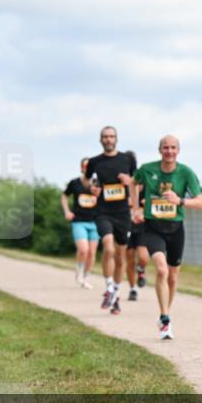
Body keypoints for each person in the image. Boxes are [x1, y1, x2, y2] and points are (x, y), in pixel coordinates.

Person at [131, 134, 202, 340]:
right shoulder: (147, 169)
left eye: (173, 148)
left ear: (178, 151)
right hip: (152, 227)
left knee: (173, 276)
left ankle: (166, 312)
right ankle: (165, 320)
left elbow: (200, 202)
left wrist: (179, 200)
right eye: (165, 148)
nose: (169, 151)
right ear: (159, 150)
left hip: (176, 229)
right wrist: (135, 208)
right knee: (161, 270)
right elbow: (132, 183)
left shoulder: (186, 173)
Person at [84, 126, 137, 315]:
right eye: (105, 136)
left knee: (121, 258)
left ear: (116, 139)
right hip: (103, 211)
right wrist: (92, 188)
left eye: (111, 136)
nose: (108, 139)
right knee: (108, 248)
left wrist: (129, 181)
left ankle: (115, 294)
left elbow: (136, 183)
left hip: (122, 212)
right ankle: (108, 288)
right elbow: (87, 181)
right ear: (100, 140)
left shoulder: (127, 159)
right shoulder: (94, 162)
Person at [63, 158, 100, 289]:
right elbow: (64, 196)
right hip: (79, 221)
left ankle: (86, 277)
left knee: (91, 253)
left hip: (95, 222)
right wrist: (67, 211)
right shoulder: (74, 183)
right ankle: (79, 270)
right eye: (85, 166)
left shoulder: (97, 184)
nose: (87, 169)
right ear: (81, 168)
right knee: (83, 250)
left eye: (89, 167)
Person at [124, 151, 148, 301]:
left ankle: (141, 269)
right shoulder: (120, 181)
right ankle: (133, 289)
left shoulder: (142, 179)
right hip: (126, 225)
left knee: (144, 257)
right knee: (130, 259)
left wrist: (143, 211)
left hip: (142, 226)